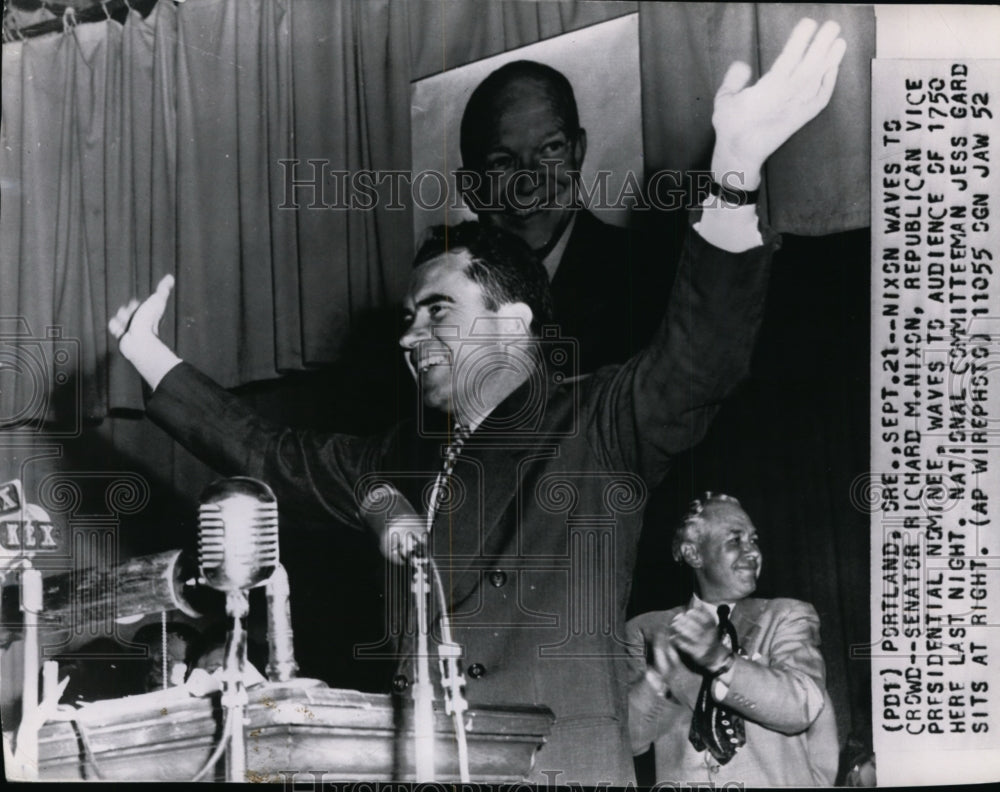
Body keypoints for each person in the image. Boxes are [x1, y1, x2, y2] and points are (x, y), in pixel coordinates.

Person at [108, 19, 845, 785]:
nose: (409, 335)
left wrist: (734, 170)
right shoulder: (394, 458)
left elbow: (701, 358)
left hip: (561, 769)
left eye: (438, 311)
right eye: (406, 318)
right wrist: (150, 356)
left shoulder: (599, 424)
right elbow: (271, 455)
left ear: (513, 320)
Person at [457, 59, 676, 372]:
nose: (529, 180)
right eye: (501, 162)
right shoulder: (445, 304)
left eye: (550, 149)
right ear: (469, 187)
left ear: (578, 152)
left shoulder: (654, 276)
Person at [626, 493, 838, 786]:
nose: (753, 552)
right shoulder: (645, 629)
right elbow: (631, 741)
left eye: (754, 540)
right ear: (694, 554)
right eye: (735, 541)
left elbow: (802, 707)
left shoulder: (786, 616)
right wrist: (656, 677)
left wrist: (720, 660)